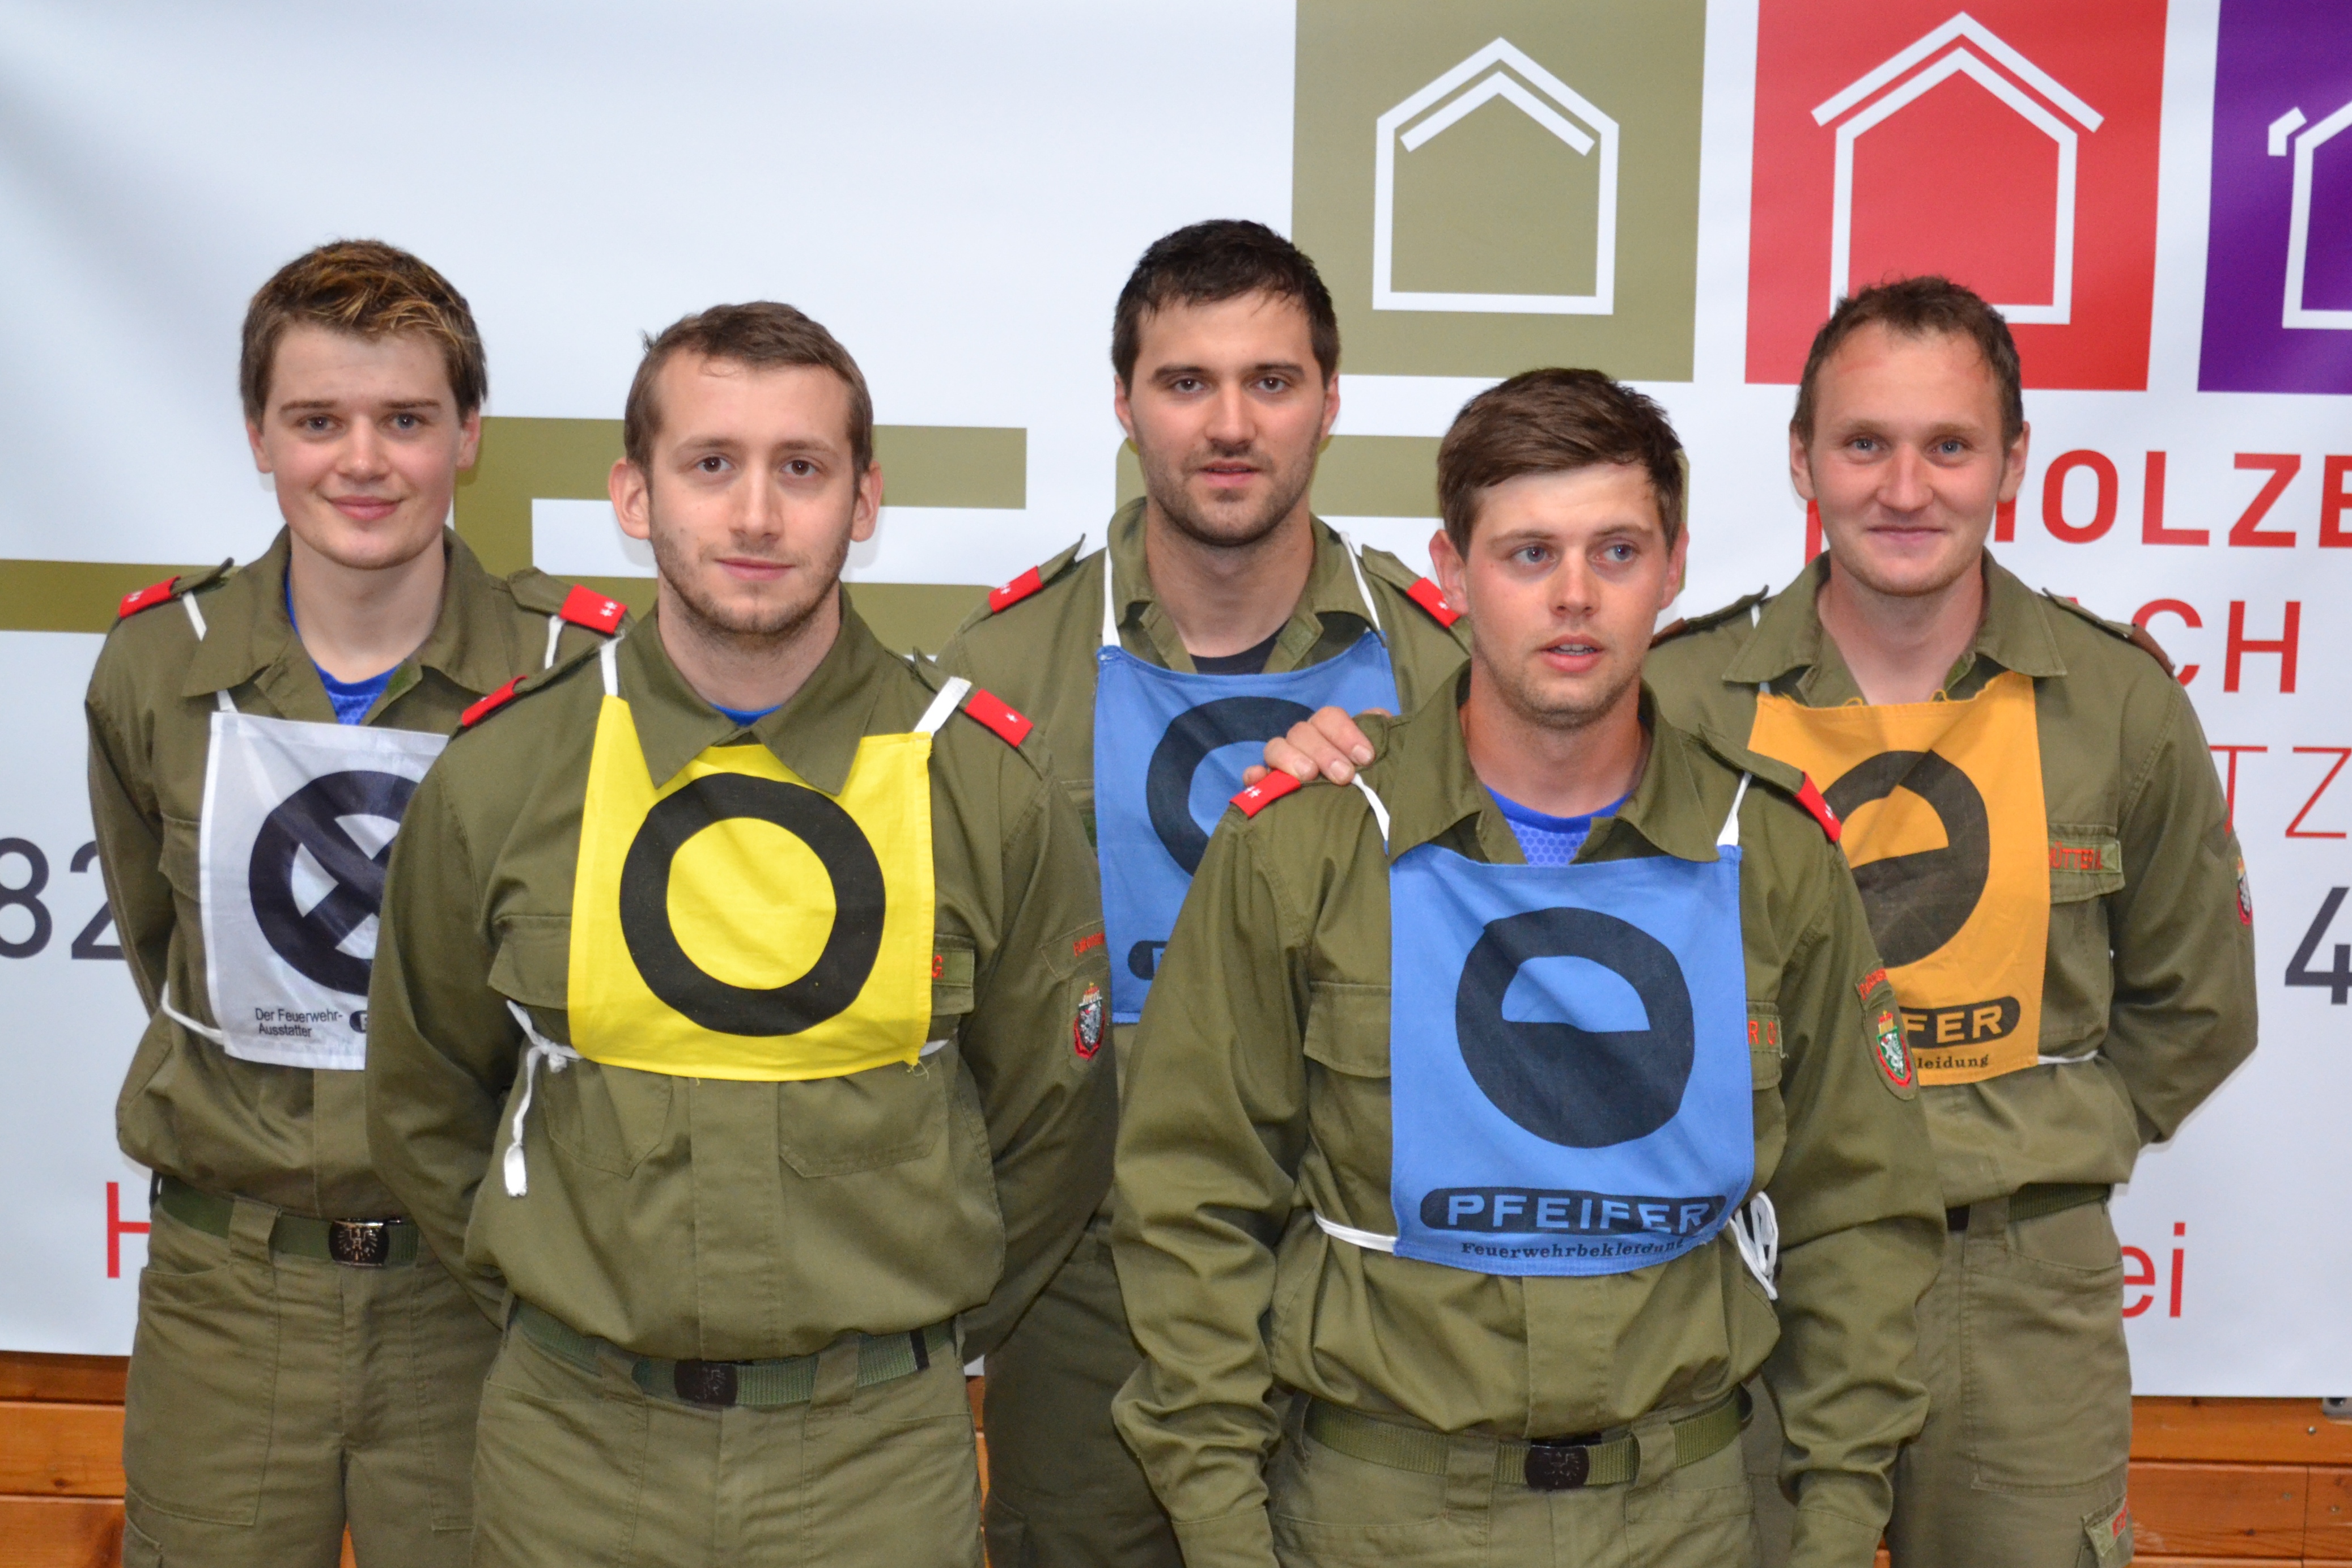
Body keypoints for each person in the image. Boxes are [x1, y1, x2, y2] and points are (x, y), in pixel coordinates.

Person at [1262, 279, 2261, 1566]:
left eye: (1949, 445)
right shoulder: (1674, 686)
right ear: (1800, 460)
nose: (1904, 488)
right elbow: (1486, 751)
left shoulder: (2118, 704)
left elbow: (2196, 1006)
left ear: (2013, 462)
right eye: (1863, 443)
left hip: (2011, 1277)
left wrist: (2026, 1146)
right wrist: (1328, 740)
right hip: (1745, 1269)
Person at [1114, 368, 1945, 1568]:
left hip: (1689, 1520)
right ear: (1450, 574)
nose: (1573, 597)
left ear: (1673, 569)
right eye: (1526, 555)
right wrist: (1222, 1535)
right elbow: (1190, 1204)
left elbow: (1856, 1215)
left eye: (1616, 551)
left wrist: (1833, 1525)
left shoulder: (1767, 854)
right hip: (1376, 1519)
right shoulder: (1309, 842)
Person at [363, 300, 1115, 1568]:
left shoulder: (981, 784)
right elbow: (423, 1094)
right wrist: (561, 1306)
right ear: (635, 494)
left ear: (863, 501)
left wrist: (903, 1348)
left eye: (801, 468)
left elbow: (1053, 1130)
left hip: (875, 1469)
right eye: (711, 464)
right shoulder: (504, 773)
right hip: (572, 1457)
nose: (757, 515)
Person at [935, 218, 1471, 1568]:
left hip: (1376, 1277)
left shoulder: (1448, 670)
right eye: (1185, 383)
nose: (1229, 425)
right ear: (1123, 404)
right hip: (1086, 1289)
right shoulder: (999, 670)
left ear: (1329, 402)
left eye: (1269, 382)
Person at [84, 239, 627, 1567]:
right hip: (228, 1292)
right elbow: (163, 948)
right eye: (318, 420)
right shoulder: (158, 665)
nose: (363, 461)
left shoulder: (581, 681)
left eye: (407, 421)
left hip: (476, 1292)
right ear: (258, 436)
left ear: (470, 437)